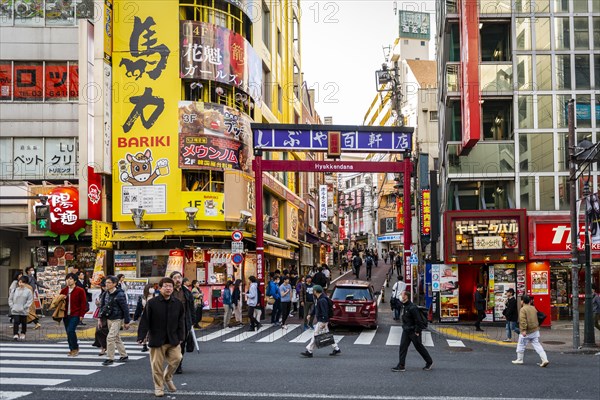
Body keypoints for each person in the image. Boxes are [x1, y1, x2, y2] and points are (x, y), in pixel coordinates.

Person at [137, 277, 185, 398]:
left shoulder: (177, 303)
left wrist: (181, 336)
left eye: (170, 286)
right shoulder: (152, 303)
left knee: (177, 358)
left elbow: (181, 321)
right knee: (156, 365)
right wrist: (141, 336)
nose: (168, 288)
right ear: (159, 288)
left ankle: (167, 377)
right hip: (157, 338)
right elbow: (145, 320)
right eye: (166, 286)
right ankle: (159, 387)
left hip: (173, 338)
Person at [392, 291, 433, 372]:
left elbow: (418, 320)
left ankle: (429, 362)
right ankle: (401, 365)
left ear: (406, 297)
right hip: (406, 330)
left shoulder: (412, 307)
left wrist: (417, 331)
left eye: (402, 295)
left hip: (413, 331)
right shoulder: (404, 306)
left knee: (419, 347)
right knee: (403, 347)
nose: (400, 296)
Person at [301, 285, 340, 357]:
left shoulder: (322, 300)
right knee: (327, 334)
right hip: (322, 320)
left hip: (322, 321)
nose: (312, 292)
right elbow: (316, 308)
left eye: (313, 290)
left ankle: (309, 351)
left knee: (315, 335)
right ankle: (336, 348)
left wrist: (324, 322)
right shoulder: (319, 298)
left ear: (315, 291)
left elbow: (324, 312)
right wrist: (310, 314)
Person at [100, 276, 131, 366]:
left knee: (110, 338)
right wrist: (100, 319)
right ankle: (124, 355)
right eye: (106, 282)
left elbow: (125, 308)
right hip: (108, 318)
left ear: (115, 284)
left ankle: (110, 358)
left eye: (109, 282)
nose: (107, 284)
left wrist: (126, 321)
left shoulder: (120, 294)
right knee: (116, 337)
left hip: (117, 319)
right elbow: (102, 307)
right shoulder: (105, 294)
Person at [512, 295, 549, 367]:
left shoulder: (523, 309)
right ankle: (544, 359)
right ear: (530, 301)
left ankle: (519, 359)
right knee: (537, 345)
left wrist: (523, 330)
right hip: (535, 330)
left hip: (527, 331)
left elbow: (522, 320)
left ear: (522, 301)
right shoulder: (533, 308)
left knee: (521, 345)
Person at [169, 271, 194, 374]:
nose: (178, 280)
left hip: (183, 322)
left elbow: (191, 307)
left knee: (182, 345)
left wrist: (192, 320)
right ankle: (173, 363)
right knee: (171, 345)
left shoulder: (186, 292)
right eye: (175, 278)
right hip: (170, 323)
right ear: (171, 280)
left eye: (179, 277)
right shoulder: (168, 291)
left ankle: (178, 365)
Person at [60, 272, 88, 356]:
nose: (68, 280)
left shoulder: (80, 290)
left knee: (71, 330)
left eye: (71, 279)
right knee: (68, 332)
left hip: (75, 313)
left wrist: (82, 315)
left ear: (75, 280)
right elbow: (59, 302)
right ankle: (71, 349)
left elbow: (83, 303)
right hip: (65, 314)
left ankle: (75, 348)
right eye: (67, 279)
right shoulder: (64, 290)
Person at [9, 276, 33, 341]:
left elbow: (30, 300)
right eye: (20, 282)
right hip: (15, 309)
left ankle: (23, 333)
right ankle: (15, 334)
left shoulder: (28, 291)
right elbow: (10, 299)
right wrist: (12, 306)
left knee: (23, 322)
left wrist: (25, 307)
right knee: (16, 322)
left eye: (23, 282)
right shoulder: (14, 290)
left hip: (24, 310)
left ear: (26, 283)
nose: (21, 284)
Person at [134, 283, 155, 352]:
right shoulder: (142, 297)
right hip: (144, 315)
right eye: (151, 287)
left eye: (153, 287)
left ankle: (150, 343)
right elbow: (138, 308)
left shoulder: (155, 297)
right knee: (144, 330)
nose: (152, 289)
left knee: (152, 330)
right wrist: (136, 316)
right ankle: (144, 344)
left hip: (153, 316)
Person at [93, 279, 109, 356]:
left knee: (106, 332)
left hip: (109, 315)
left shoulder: (112, 294)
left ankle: (106, 347)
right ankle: (103, 347)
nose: (104, 288)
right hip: (102, 315)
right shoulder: (102, 294)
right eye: (103, 286)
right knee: (99, 331)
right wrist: (98, 304)